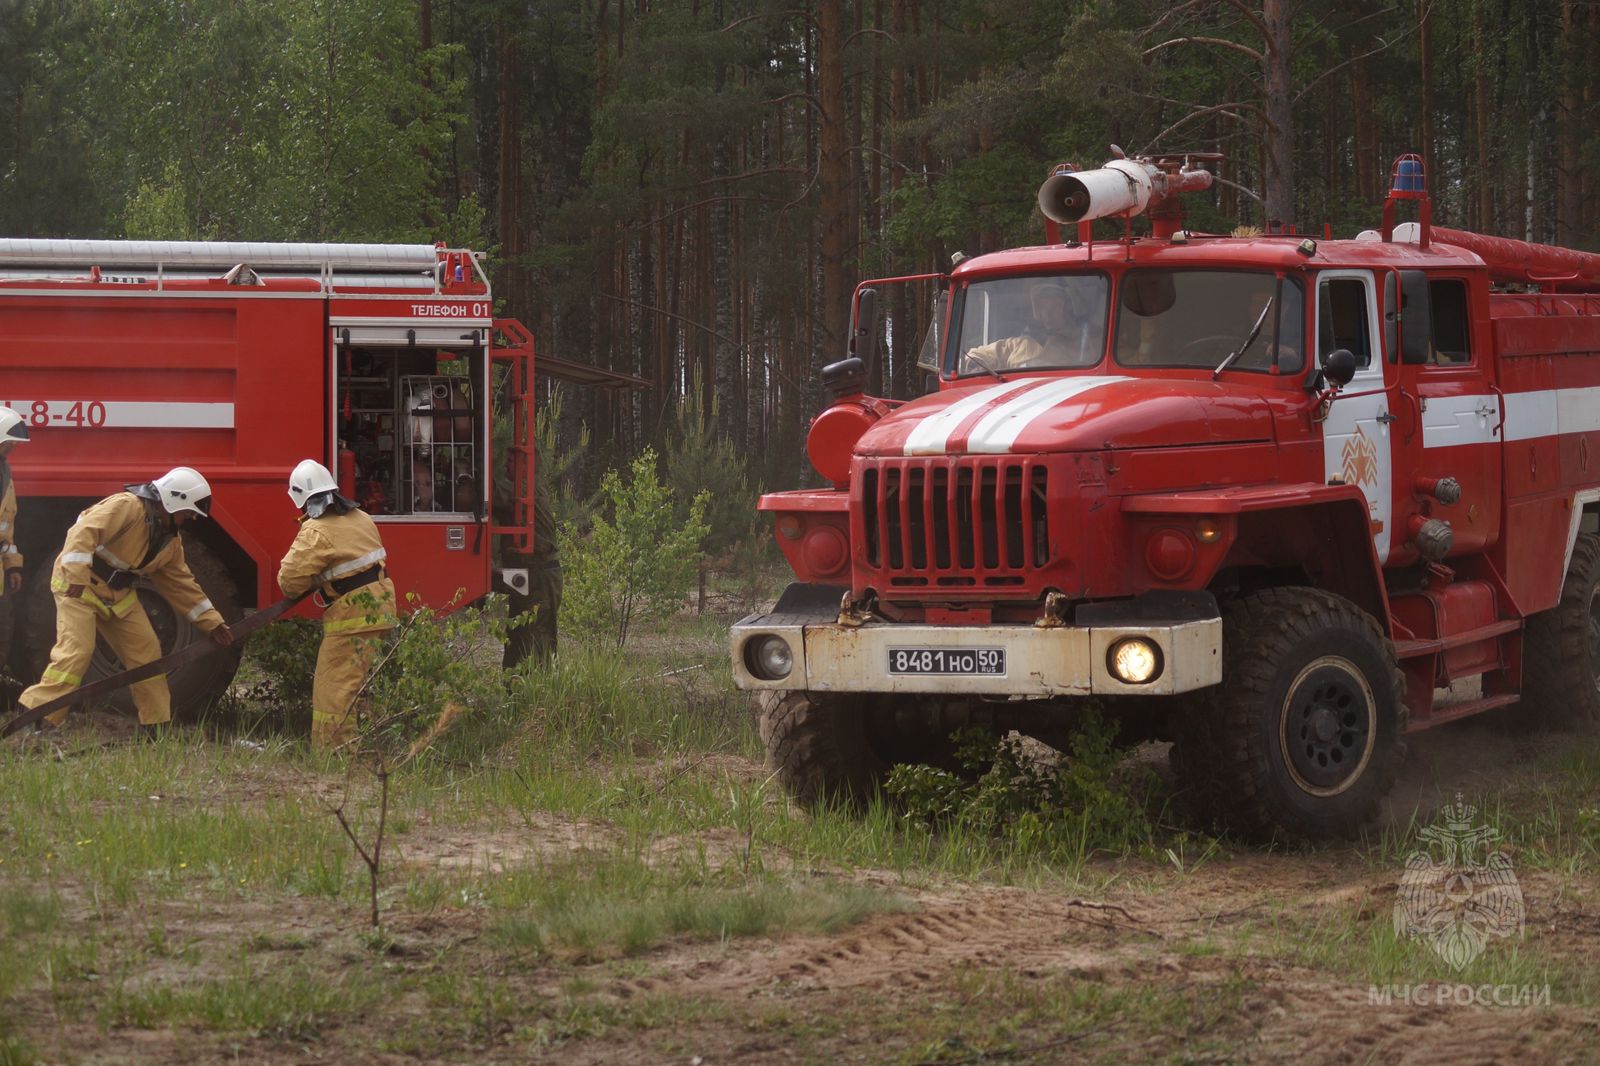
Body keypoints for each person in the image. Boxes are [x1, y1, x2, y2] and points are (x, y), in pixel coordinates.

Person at [16, 467, 234, 735]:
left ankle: (155, 726)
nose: (188, 518)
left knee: (148, 655)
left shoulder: (169, 542)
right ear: (172, 500)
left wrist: (212, 623)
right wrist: (75, 578)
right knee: (76, 652)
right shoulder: (126, 507)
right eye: (187, 512)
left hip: (117, 596)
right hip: (79, 589)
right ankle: (38, 717)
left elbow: (182, 585)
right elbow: (82, 533)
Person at [277, 459, 398, 750]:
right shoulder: (362, 518)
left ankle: (335, 753)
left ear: (301, 499)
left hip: (352, 615)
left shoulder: (316, 531)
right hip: (380, 607)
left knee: (333, 688)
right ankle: (358, 744)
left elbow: (288, 582)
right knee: (353, 682)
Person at [962, 280, 1099, 373]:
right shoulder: (1021, 343)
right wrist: (974, 365)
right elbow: (978, 355)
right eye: (1042, 307)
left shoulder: (1087, 340)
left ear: (1068, 308)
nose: (1048, 313)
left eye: (1055, 306)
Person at [0, 410, 30, 596]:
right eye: (10, 441)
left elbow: (5, 527)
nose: (14, 445)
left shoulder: (5, 478)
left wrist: (12, 565)